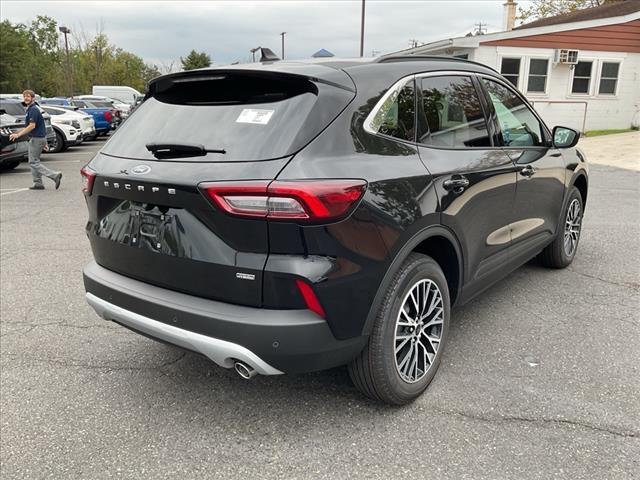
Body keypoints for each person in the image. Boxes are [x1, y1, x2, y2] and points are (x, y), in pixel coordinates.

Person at [9, 90, 62, 190]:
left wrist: (18, 135)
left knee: (33, 162)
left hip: (36, 139)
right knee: (34, 161)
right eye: (24, 96)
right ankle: (38, 183)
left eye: (28, 96)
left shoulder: (33, 110)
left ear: (33, 98)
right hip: (39, 139)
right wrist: (45, 142)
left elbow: (32, 126)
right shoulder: (31, 109)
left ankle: (54, 175)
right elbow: (40, 126)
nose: (26, 98)